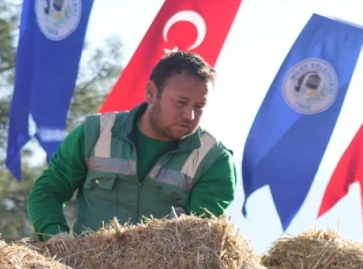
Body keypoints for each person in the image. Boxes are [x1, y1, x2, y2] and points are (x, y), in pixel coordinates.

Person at [27, 51, 237, 242]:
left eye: (199, 107)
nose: (189, 115)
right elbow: (47, 192)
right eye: (181, 102)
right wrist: (56, 238)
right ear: (151, 93)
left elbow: (200, 239)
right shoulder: (94, 133)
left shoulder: (213, 159)